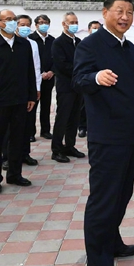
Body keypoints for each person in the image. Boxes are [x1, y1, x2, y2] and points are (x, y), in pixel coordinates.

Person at [73, 0, 134, 266]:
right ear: (105, 12)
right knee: (104, 199)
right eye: (119, 11)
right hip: (108, 135)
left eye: (130, 12)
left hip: (131, 133)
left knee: (122, 193)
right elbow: (78, 80)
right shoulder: (90, 45)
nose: (125, 17)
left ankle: (113, 241)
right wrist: (95, 78)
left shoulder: (130, 47)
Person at [0, 9, 37, 194]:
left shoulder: (23, 45)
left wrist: (30, 96)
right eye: (8, 19)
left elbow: (29, 72)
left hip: (20, 101)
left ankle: (14, 174)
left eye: (14, 19)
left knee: (18, 139)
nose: (12, 22)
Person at [51, 13, 86, 163]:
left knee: (74, 118)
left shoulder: (78, 42)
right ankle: (56, 149)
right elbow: (61, 65)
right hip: (65, 86)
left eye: (76, 22)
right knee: (63, 118)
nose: (74, 25)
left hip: (78, 86)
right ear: (64, 24)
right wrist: (79, 70)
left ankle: (70, 146)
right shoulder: (58, 43)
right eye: (71, 22)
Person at [16, 16, 42, 166]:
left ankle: (25, 153)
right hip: (13, 91)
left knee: (27, 123)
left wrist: (37, 88)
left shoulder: (32, 44)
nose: (25, 27)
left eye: (28, 25)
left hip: (29, 90)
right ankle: (7, 156)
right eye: (22, 24)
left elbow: (36, 67)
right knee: (11, 126)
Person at [30, 14, 56, 141]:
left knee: (46, 105)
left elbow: (57, 59)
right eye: (40, 22)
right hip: (35, 78)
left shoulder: (53, 40)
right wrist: (38, 74)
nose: (43, 24)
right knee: (32, 106)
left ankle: (45, 130)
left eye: (45, 22)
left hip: (49, 78)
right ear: (36, 25)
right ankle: (30, 132)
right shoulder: (31, 39)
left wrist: (52, 71)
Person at [78, 21, 103, 138]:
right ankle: (82, 127)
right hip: (88, 79)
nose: (96, 30)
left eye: (98, 28)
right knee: (84, 105)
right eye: (94, 28)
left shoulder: (104, 44)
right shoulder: (85, 44)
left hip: (103, 80)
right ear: (89, 30)